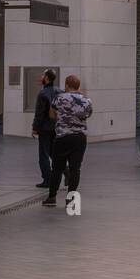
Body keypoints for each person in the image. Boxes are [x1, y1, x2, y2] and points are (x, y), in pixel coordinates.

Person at [43, 74, 93, 207]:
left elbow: (51, 114)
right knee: (75, 169)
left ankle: (52, 197)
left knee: (57, 168)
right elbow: (88, 115)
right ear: (78, 86)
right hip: (79, 138)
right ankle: (71, 200)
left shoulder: (59, 98)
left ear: (66, 85)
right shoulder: (86, 100)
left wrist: (62, 120)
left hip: (62, 137)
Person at [31, 69, 58, 189]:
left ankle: (47, 179)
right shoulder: (59, 91)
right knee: (54, 153)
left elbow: (39, 114)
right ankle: (66, 173)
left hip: (45, 128)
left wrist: (35, 128)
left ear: (46, 78)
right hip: (56, 127)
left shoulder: (42, 94)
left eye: (43, 75)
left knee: (43, 155)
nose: (41, 77)